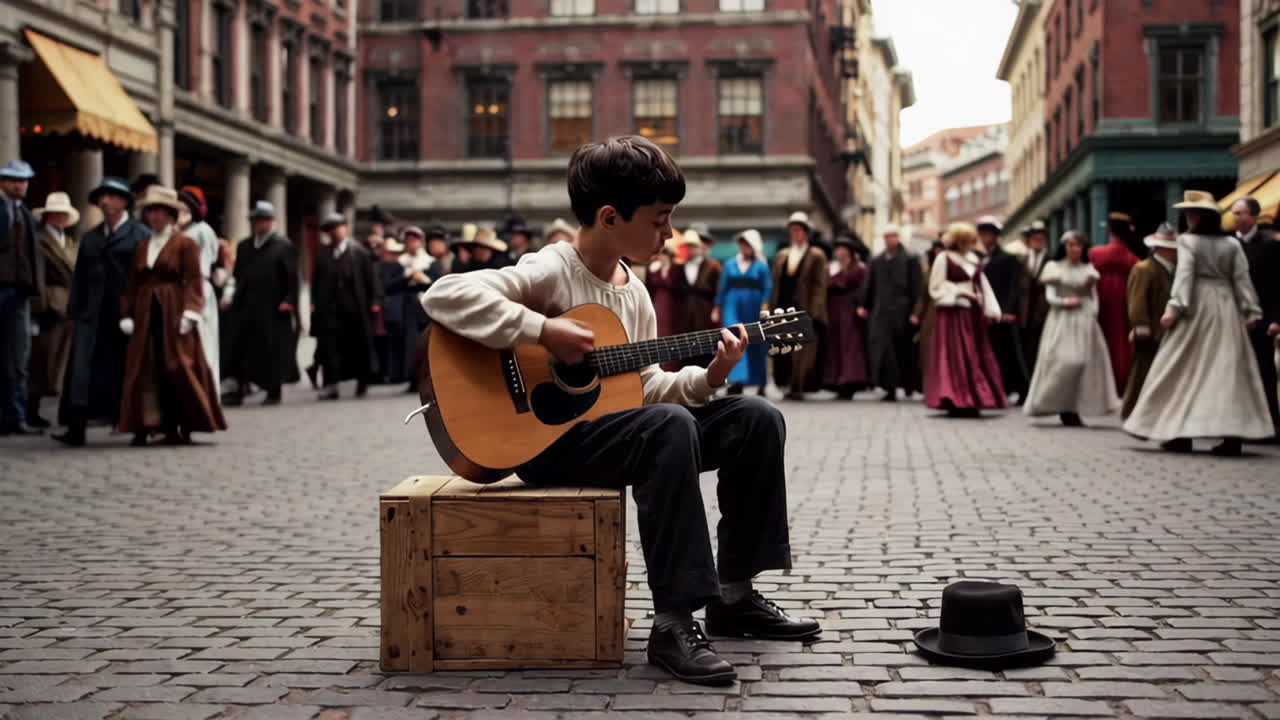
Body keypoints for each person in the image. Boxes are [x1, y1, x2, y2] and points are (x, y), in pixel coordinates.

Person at [421, 135, 818, 686]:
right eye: (660, 220)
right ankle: (674, 622)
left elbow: (646, 387)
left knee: (756, 418)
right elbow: (443, 295)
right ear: (610, 217)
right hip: (546, 443)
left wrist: (710, 378)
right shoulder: (551, 269)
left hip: (619, 433)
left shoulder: (635, 293)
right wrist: (542, 329)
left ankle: (734, 594)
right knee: (669, 429)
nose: (669, 233)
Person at [1123, 191, 1273, 456]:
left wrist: (1174, 308)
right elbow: (1241, 279)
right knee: (1227, 373)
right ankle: (1232, 435)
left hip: (1197, 307)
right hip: (1227, 310)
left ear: (1201, 216)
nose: (1189, 217)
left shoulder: (1188, 242)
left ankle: (1180, 432)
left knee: (1180, 367)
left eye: (1192, 213)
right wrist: (1251, 311)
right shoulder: (1232, 244)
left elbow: (1185, 278)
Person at [116, 186, 226, 445]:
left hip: (174, 311)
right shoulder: (142, 245)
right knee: (143, 366)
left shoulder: (185, 244)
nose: (154, 217)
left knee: (178, 365)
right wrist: (128, 313)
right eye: (150, 212)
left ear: (170, 215)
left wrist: (191, 311)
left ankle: (182, 423)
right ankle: (145, 423)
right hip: (146, 312)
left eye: (159, 212)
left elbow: (193, 280)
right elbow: (133, 282)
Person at [55, 177, 151, 446]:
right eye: (102, 197)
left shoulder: (139, 235)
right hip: (91, 313)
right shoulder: (91, 238)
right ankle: (76, 429)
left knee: (127, 369)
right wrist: (74, 311)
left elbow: (143, 278)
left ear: (124, 202)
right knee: (82, 371)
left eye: (112, 196)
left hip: (123, 314)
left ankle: (137, 427)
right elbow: (80, 278)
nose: (106, 201)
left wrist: (138, 312)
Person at [1023, 231, 1119, 426]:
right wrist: (1065, 301)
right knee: (1065, 361)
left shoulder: (1088, 269)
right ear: (1064, 247)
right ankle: (1057, 404)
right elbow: (1050, 296)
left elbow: (1093, 296)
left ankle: (1074, 407)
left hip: (1084, 321)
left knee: (1085, 363)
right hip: (1061, 320)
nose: (1075, 249)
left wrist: (1092, 313)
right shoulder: (1053, 268)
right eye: (1071, 245)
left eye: (1078, 245)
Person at [221, 201, 299, 406]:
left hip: (273, 307)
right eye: (257, 220)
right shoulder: (246, 245)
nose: (260, 224)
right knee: (240, 346)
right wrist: (230, 296)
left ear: (272, 221)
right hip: (247, 304)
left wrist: (289, 301)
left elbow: (292, 279)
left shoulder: (283, 246)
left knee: (271, 349)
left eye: (264, 219)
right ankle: (239, 387)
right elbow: (238, 275)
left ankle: (273, 389)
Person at [924, 222, 1006, 417]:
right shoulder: (943, 258)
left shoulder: (972, 259)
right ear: (959, 241)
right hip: (953, 314)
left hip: (973, 314)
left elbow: (983, 285)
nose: (972, 244)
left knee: (974, 354)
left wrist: (992, 308)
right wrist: (961, 293)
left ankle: (975, 397)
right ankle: (955, 398)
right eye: (968, 241)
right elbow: (936, 286)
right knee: (955, 355)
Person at [312, 212, 381, 400]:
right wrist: (314, 303)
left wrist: (375, 301)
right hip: (331, 310)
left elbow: (371, 280)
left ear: (345, 228)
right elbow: (316, 282)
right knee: (330, 347)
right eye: (330, 230)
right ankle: (331, 385)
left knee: (359, 347)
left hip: (355, 309)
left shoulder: (359, 253)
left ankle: (362, 381)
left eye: (337, 228)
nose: (334, 233)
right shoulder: (324, 254)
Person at [27, 192, 79, 429]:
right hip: (50, 304)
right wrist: (43, 301)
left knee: (62, 362)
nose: (59, 217)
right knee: (40, 360)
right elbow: (35, 274)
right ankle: (31, 409)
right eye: (55, 213)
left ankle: (62, 410)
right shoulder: (38, 240)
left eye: (62, 214)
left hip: (69, 305)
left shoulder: (69, 242)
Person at [1231, 196, 1280, 441]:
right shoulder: (1229, 245)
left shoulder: (1270, 246)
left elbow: (1277, 287)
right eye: (1234, 213)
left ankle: (1270, 423)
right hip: (1234, 319)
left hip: (1261, 320)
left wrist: (1275, 319)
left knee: (1264, 371)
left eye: (1240, 213)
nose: (1235, 218)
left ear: (1253, 216)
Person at [0, 160, 43, 435]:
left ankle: (15, 417)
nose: (20, 185)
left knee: (18, 358)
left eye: (25, 180)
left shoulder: (26, 215)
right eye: (15, 180)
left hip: (20, 293)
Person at [1121, 223, 1178, 419]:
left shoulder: (1174, 270)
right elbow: (1136, 301)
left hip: (1168, 332)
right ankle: (1133, 414)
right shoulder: (1144, 268)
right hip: (1151, 332)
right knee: (1142, 374)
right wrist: (1141, 328)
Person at [858, 225, 920, 401]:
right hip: (881, 312)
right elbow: (869, 284)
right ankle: (889, 387)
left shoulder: (910, 258)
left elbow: (916, 287)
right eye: (886, 236)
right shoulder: (876, 261)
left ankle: (908, 385)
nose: (889, 240)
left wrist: (916, 312)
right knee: (885, 351)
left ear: (898, 237)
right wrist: (864, 305)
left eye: (892, 236)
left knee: (905, 350)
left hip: (903, 312)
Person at [770, 211, 828, 400]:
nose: (795, 234)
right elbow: (777, 283)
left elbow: (820, 285)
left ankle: (799, 385)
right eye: (792, 230)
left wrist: (815, 312)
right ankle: (786, 383)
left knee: (802, 351)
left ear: (806, 232)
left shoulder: (816, 255)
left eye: (799, 230)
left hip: (804, 308)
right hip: (783, 306)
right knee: (784, 347)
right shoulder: (783, 255)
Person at [975, 216, 1028, 404]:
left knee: (1010, 353)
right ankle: (999, 389)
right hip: (986, 313)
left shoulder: (1007, 259)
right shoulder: (980, 258)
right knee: (993, 352)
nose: (984, 238)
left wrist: (1008, 310)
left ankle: (1022, 390)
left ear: (994, 236)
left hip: (1003, 313)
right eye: (981, 234)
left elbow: (1013, 287)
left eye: (987, 234)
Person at [712, 229, 772, 396]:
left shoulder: (761, 265)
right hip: (732, 304)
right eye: (742, 244)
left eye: (747, 244)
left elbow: (767, 286)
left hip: (754, 306)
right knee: (734, 337)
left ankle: (760, 381)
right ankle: (736, 381)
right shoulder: (730, 264)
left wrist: (765, 305)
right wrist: (717, 307)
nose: (744, 247)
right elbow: (722, 287)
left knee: (756, 341)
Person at [177, 186, 221, 388]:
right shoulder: (173, 232)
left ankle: (206, 388)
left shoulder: (202, 231)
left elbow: (211, 258)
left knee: (203, 341)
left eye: (184, 210)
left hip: (198, 287)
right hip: (178, 289)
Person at [1092, 211, 1140, 393]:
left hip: (1101, 301)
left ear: (1110, 231)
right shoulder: (1132, 258)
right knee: (1122, 341)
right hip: (1124, 301)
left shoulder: (1096, 253)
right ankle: (1122, 380)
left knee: (1102, 339)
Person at [824, 236, 869, 399]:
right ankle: (836, 381)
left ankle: (850, 381)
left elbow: (864, 288)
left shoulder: (859, 268)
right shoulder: (831, 267)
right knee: (835, 346)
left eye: (843, 249)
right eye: (838, 249)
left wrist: (861, 305)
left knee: (850, 346)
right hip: (833, 310)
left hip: (850, 310)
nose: (840, 252)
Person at [677, 229, 721, 369]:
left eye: (694, 246)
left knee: (705, 342)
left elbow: (719, 290)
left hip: (705, 309)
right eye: (688, 246)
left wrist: (716, 309)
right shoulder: (681, 266)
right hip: (686, 310)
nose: (691, 249)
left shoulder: (713, 266)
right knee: (686, 344)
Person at [396, 226, 433, 389]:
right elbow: (391, 286)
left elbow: (436, 282)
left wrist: (422, 278)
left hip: (426, 307)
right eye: (409, 240)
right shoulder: (400, 262)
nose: (412, 243)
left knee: (426, 343)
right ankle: (412, 378)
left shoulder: (429, 262)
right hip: (408, 308)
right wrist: (408, 277)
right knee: (410, 345)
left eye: (415, 240)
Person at [376, 235, 408, 384]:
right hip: (387, 308)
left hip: (396, 308)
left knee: (396, 342)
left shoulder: (398, 267)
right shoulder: (381, 267)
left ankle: (395, 373)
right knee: (386, 343)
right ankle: (388, 372)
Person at [1020, 221, 1051, 370]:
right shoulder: (1024, 260)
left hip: (1044, 311)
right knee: (1028, 350)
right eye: (1034, 239)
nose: (1037, 242)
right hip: (1026, 312)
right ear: (1029, 241)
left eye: (1040, 239)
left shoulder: (1051, 260)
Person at [913, 239, 944, 381]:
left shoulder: (950, 265)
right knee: (927, 348)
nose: (938, 252)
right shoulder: (929, 269)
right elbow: (923, 295)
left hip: (946, 310)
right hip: (931, 313)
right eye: (936, 250)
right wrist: (916, 314)